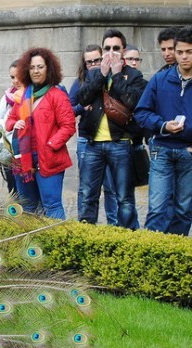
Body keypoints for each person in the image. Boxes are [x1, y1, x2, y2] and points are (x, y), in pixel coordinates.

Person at [76, 29, 146, 230]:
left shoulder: (133, 75)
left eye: (116, 48)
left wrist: (116, 76)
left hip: (120, 143)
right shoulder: (94, 74)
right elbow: (83, 98)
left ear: (123, 51)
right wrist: (102, 75)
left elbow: (132, 102)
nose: (111, 52)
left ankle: (127, 237)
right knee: (88, 195)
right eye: (107, 48)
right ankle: (86, 235)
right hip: (93, 144)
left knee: (123, 196)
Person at [134, 25, 192, 235]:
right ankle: (152, 257)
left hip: (189, 153)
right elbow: (141, 113)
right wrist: (162, 125)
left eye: (189, 52)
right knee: (157, 209)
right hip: (162, 149)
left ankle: (175, 257)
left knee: (184, 210)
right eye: (180, 52)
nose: (184, 57)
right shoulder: (160, 80)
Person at [6, 48, 76, 219]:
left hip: (48, 158)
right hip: (24, 159)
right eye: (32, 67)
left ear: (48, 69)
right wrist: (16, 123)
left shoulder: (57, 95)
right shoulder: (24, 97)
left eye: (40, 67)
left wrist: (51, 145)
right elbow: (9, 121)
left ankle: (56, 244)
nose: (36, 71)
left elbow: (68, 126)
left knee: (52, 205)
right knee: (27, 207)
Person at [69, 45, 118, 225]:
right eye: (89, 62)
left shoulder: (113, 78)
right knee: (86, 188)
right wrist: (82, 107)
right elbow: (68, 109)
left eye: (97, 60)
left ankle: (115, 225)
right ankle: (86, 226)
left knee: (112, 187)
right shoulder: (81, 82)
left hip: (111, 139)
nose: (94, 65)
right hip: (87, 139)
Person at [0, 61, 22, 194]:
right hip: (9, 147)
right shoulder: (8, 96)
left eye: (18, 76)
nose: (15, 81)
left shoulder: (33, 95)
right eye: (12, 77)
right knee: (13, 187)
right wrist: (9, 124)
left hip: (26, 148)